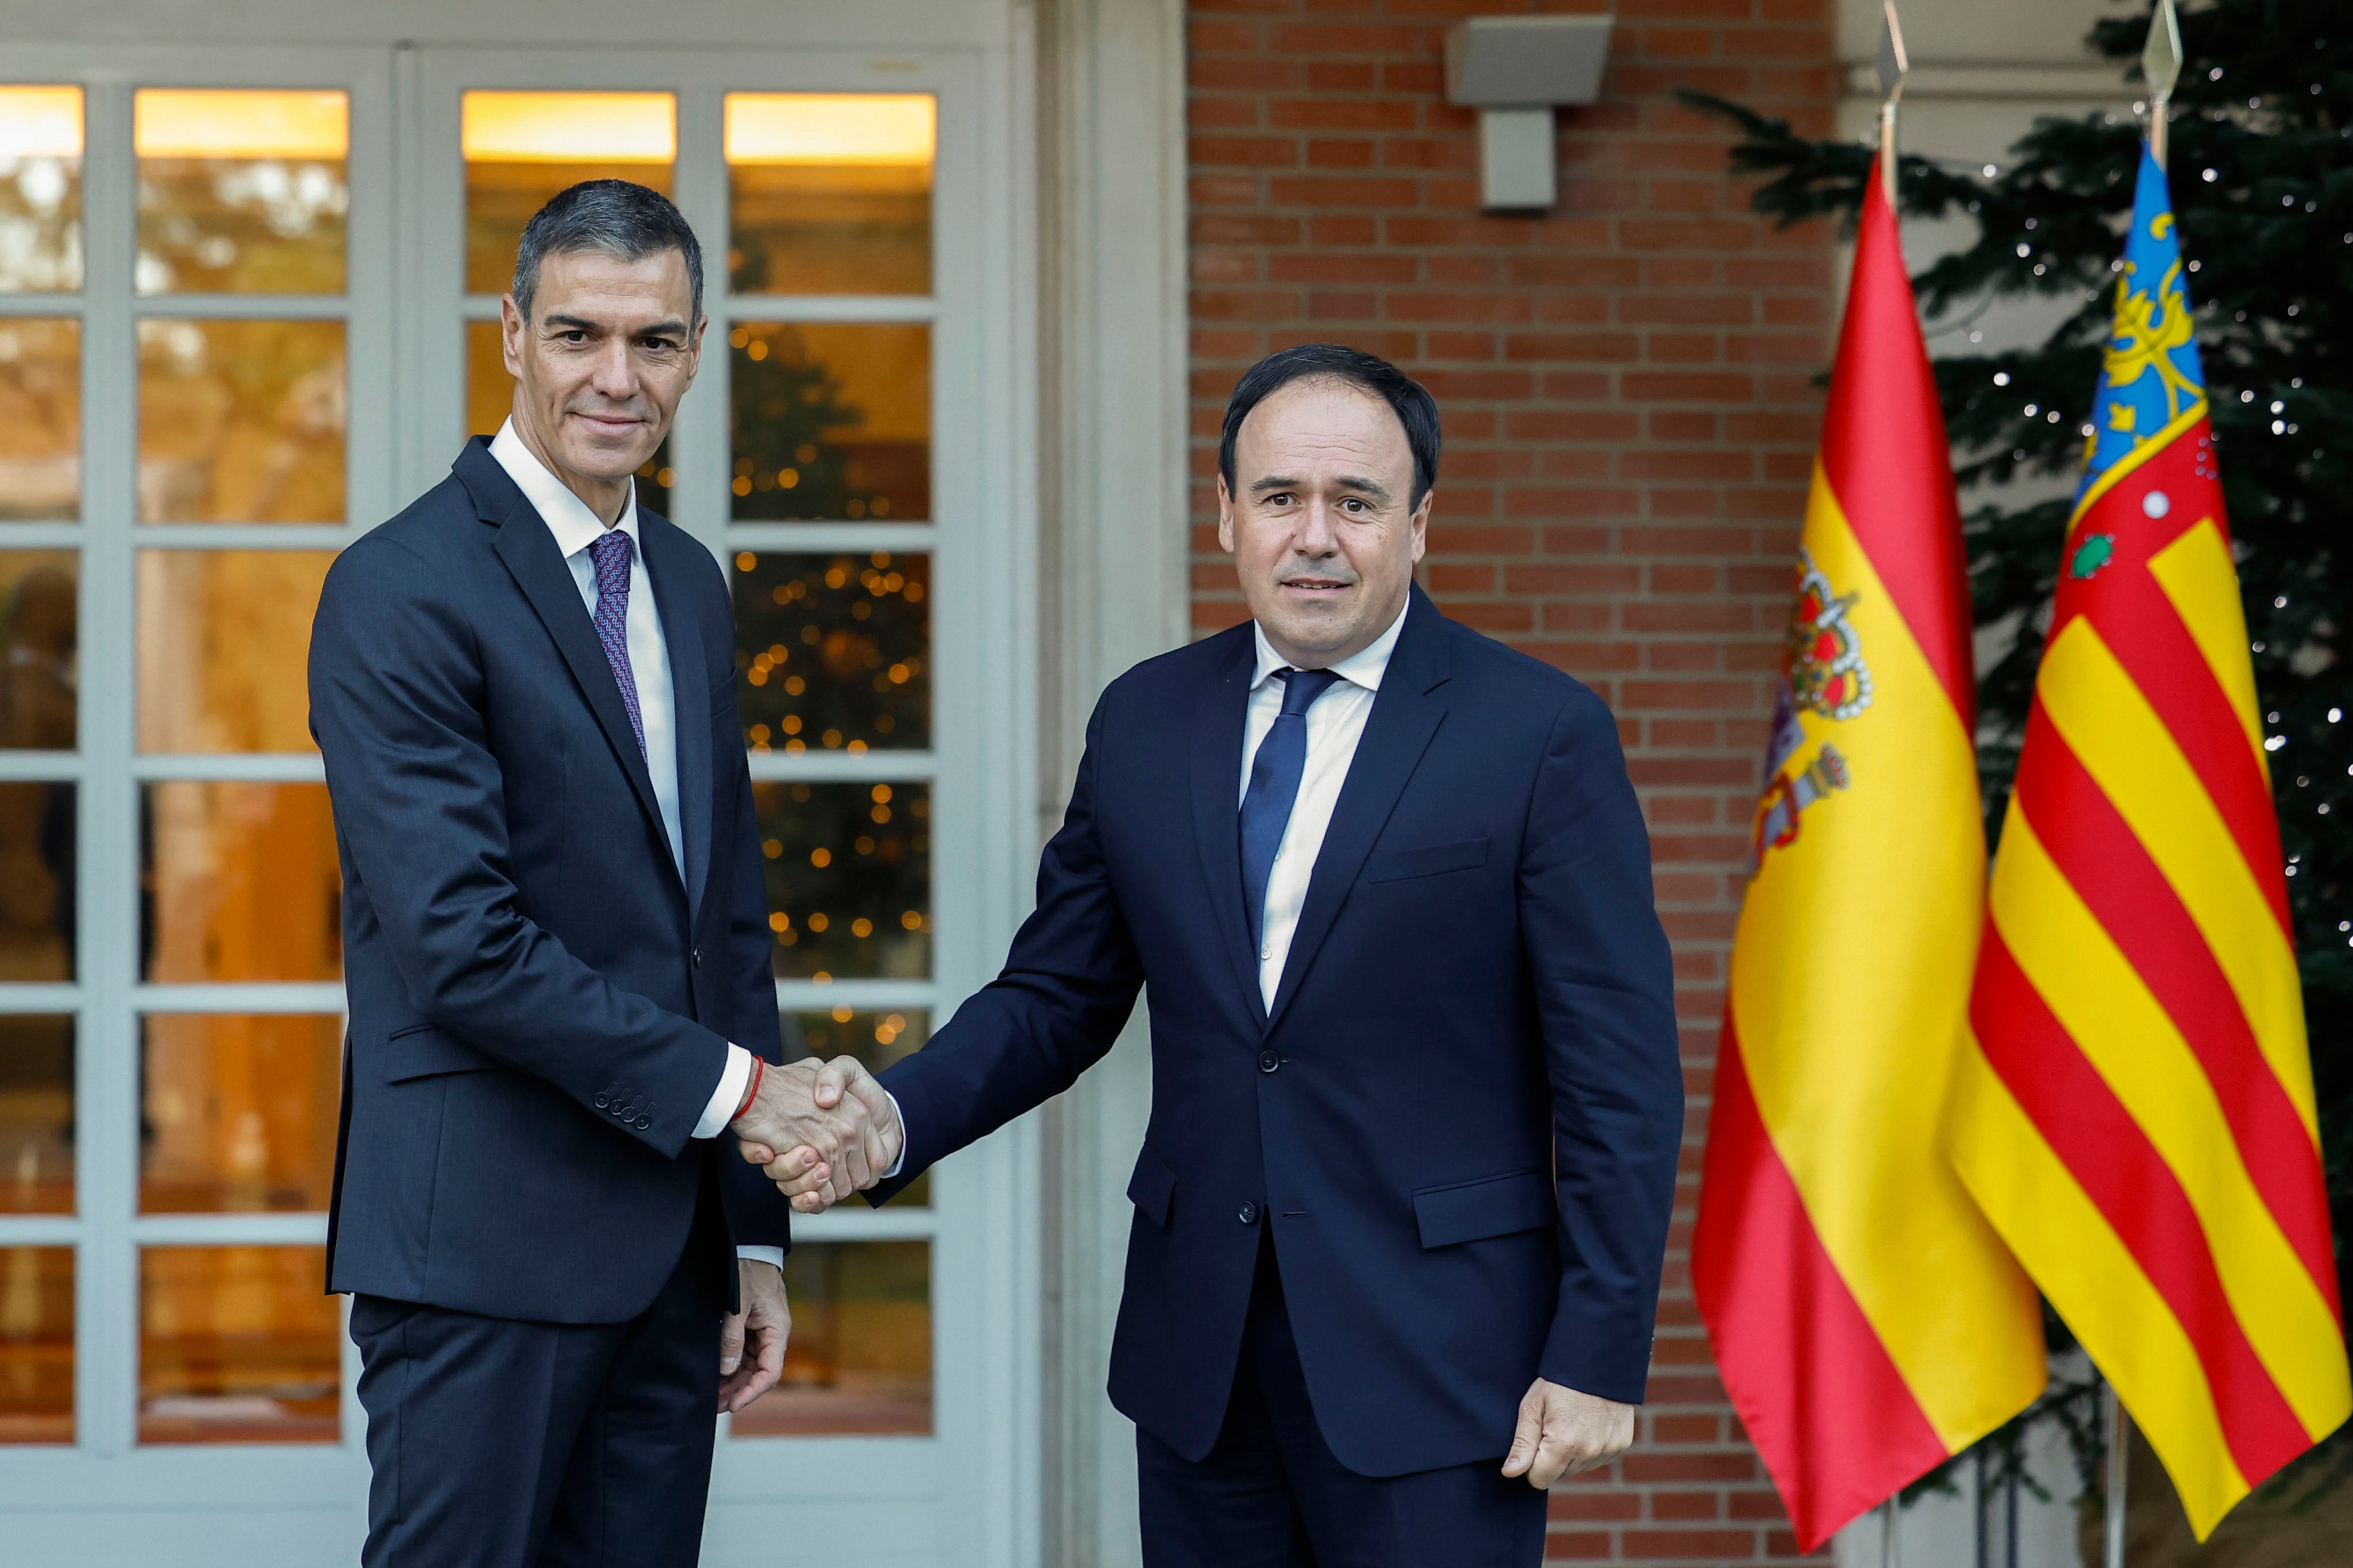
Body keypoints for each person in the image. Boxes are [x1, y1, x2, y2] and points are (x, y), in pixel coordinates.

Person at [761, 344, 1684, 1565]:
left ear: (1417, 526)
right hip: (1200, 1355)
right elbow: (1057, 993)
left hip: (1442, 1365)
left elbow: (1617, 1075)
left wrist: (1596, 1350)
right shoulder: (1148, 719)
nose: (1314, 536)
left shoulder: (1536, 733)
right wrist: (891, 1120)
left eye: (1355, 504)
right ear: (1226, 516)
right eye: (1279, 497)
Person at [308, 180, 900, 1568]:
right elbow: (462, 942)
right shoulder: (400, 586)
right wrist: (754, 1098)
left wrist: (750, 1233)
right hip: (482, 1248)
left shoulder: (686, 579)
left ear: (697, 350)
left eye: (654, 341)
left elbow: (724, 922)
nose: (615, 378)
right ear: (512, 333)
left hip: (671, 1248)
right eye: (579, 335)